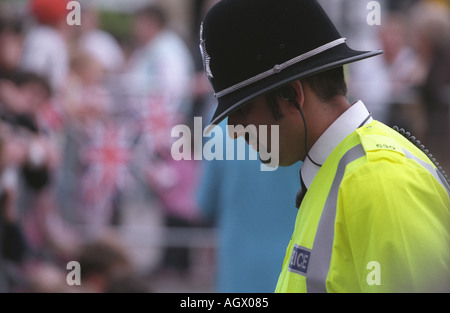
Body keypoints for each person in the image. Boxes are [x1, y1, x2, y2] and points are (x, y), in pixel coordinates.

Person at [199, 0, 450, 292]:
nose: (233, 131)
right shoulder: (337, 171)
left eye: (243, 110)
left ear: (291, 94)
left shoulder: (377, 180)